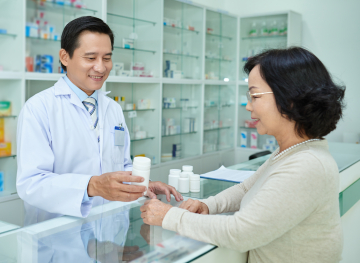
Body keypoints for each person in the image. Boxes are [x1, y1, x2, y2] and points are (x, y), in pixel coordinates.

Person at [141, 47, 345, 263]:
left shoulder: (307, 165)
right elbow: (248, 188)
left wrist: (170, 216)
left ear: (290, 98)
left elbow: (241, 233)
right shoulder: (292, 152)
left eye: (255, 96)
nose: (248, 106)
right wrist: (209, 205)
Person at [17, 16, 182, 226]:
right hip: (60, 235)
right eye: (91, 57)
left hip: (111, 229)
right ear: (65, 57)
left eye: (106, 58)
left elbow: (120, 163)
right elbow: (31, 184)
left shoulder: (112, 108)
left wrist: (142, 184)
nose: (101, 68)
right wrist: (92, 186)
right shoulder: (39, 108)